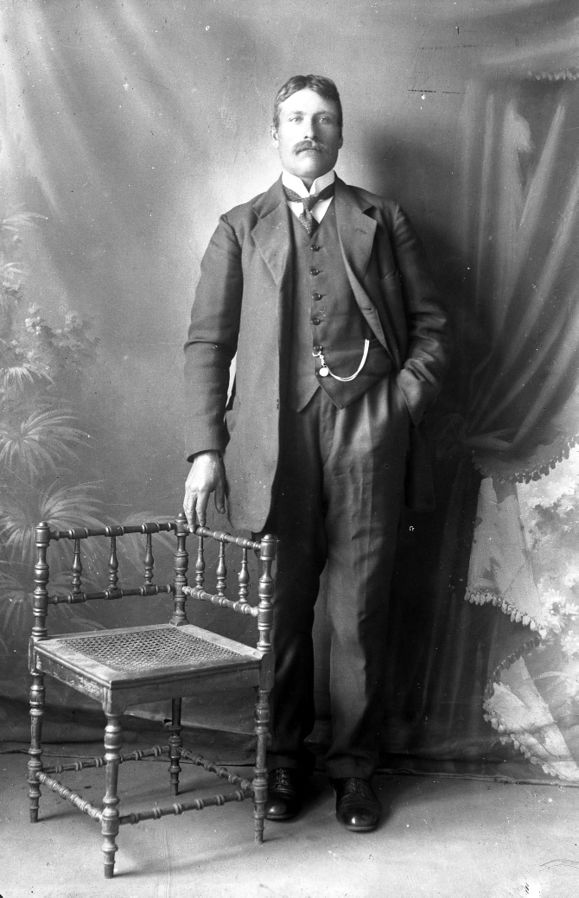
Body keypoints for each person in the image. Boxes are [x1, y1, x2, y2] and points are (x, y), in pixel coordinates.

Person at [183, 74, 448, 833]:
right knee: (284, 614)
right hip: (276, 444)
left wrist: (396, 407)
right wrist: (205, 449)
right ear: (274, 133)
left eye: (324, 119)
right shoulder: (239, 227)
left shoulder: (382, 219)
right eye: (296, 118)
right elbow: (207, 345)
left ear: (339, 134)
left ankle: (354, 772)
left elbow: (433, 332)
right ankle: (284, 761)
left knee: (358, 615)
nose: (309, 130)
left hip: (367, 435)